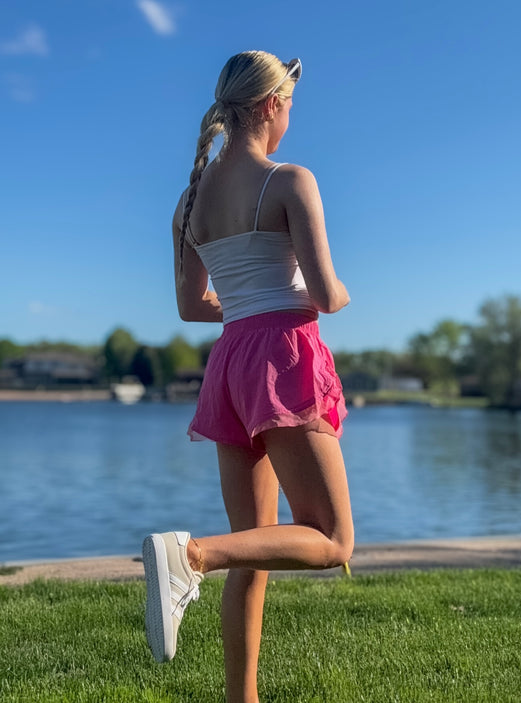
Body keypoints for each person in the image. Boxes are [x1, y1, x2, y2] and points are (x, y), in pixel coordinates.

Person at [142, 50, 354, 703]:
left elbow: (189, 306)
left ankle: (242, 698)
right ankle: (192, 555)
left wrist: (245, 302)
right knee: (331, 538)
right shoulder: (289, 180)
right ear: (271, 105)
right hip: (282, 356)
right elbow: (322, 292)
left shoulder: (191, 198)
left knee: (253, 545)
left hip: (231, 359)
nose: (290, 115)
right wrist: (342, 291)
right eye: (289, 103)